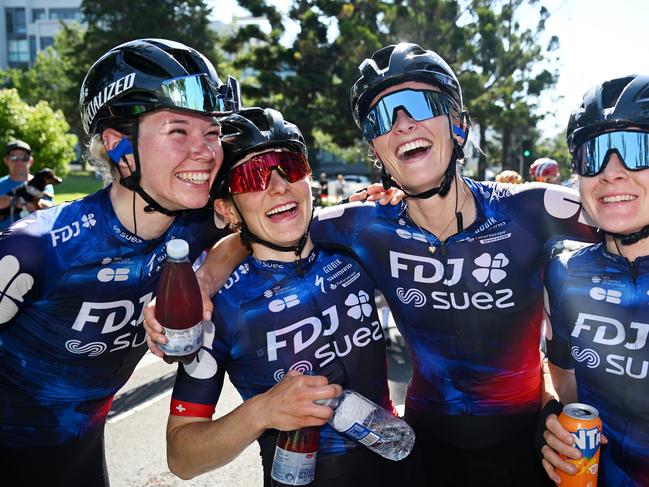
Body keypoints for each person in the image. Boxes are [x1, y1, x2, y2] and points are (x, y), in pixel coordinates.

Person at [150, 42, 597, 486]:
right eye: (384, 118)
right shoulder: (360, 228)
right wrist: (204, 278)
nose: (403, 124)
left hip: (519, 446)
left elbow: (626, 215)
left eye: (419, 104)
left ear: (458, 125)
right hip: (427, 451)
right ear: (377, 152)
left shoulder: (536, 208)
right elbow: (260, 235)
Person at [0, 38, 242, 486]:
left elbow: (264, 231)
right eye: (178, 131)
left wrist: (206, 276)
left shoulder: (198, 222)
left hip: (85, 458)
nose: (206, 151)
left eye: (211, 132)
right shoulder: (35, 248)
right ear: (118, 146)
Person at [164, 107, 404, 486]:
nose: (278, 186)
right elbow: (181, 456)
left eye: (290, 167)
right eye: (252, 177)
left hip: (397, 459)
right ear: (227, 208)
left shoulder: (353, 239)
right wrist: (261, 412)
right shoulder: (221, 307)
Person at [540, 75, 649, 486]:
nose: (612, 172)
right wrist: (555, 430)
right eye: (594, 154)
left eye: (640, 149)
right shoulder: (563, 270)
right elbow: (563, 376)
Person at [0, 139, 57, 229]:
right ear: (6, 160)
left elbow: (51, 210)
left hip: (35, 239)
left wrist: (23, 202)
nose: (19, 161)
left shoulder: (44, 183)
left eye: (24, 158)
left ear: (30, 161)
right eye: (14, 157)